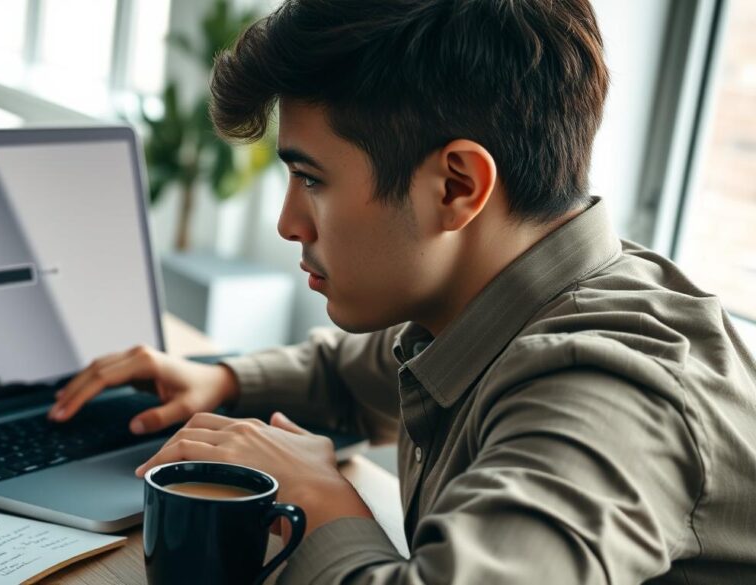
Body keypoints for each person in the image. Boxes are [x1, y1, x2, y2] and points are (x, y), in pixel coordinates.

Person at [49, 0, 756, 582]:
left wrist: (319, 499)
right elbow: (357, 373)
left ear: (457, 187)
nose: (289, 222)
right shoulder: (502, 301)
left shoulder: (607, 391)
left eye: (313, 179)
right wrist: (221, 378)